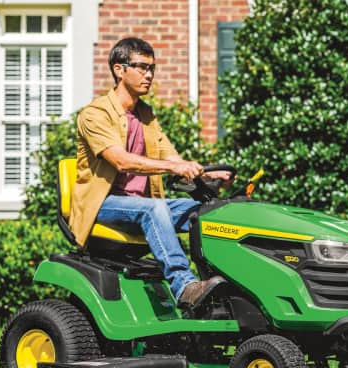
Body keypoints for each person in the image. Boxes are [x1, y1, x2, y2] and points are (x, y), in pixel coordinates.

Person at [69, 37, 231, 308]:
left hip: (141, 204)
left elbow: (171, 158)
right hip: (103, 204)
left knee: (204, 211)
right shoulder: (94, 114)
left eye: (152, 68)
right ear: (119, 70)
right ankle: (184, 287)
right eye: (142, 67)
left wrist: (204, 176)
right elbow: (120, 161)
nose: (149, 74)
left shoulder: (146, 116)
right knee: (152, 209)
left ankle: (219, 284)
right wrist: (173, 167)